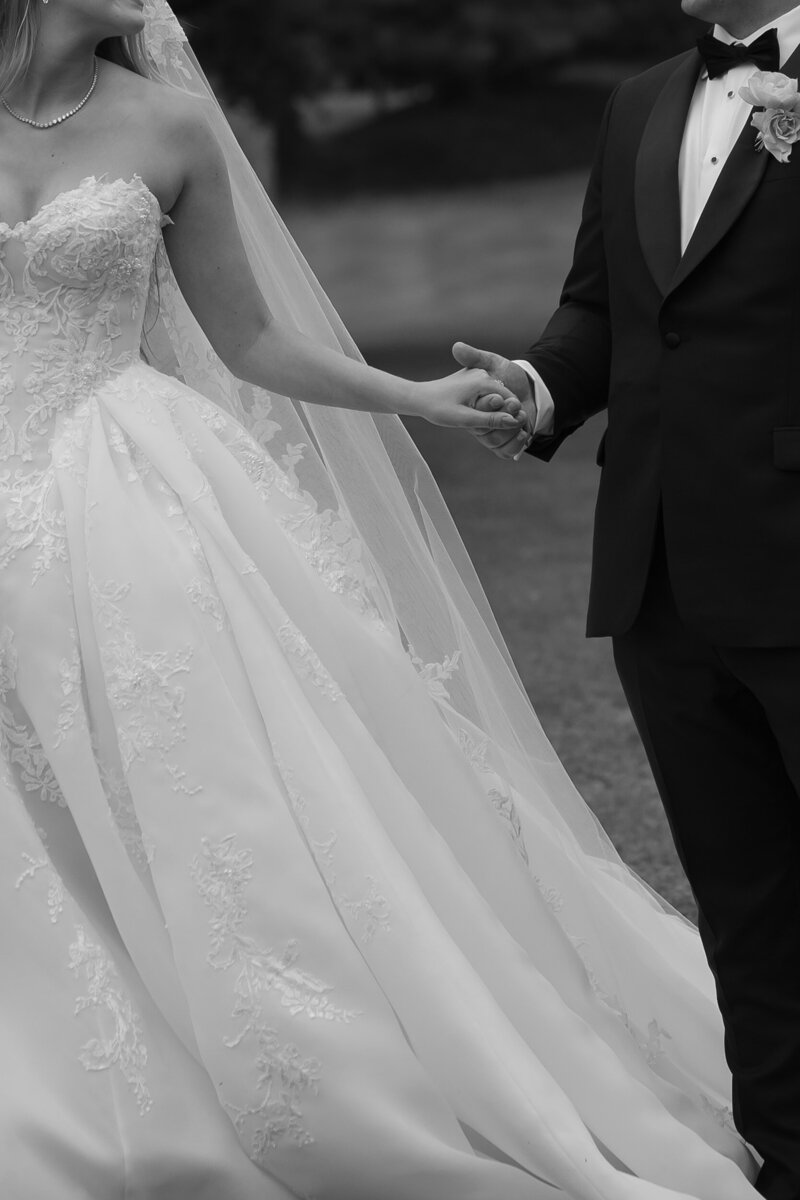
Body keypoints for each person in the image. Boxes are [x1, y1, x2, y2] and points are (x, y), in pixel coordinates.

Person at [0, 1, 770, 1198]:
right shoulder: (641, 103)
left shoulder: (172, 126)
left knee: (197, 793)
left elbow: (249, 336)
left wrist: (413, 397)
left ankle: (280, 1076)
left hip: (126, 501)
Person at [458, 2, 800, 1198]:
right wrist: (543, 386)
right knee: (743, 902)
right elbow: (608, 306)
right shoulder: (639, 100)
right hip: (658, 569)